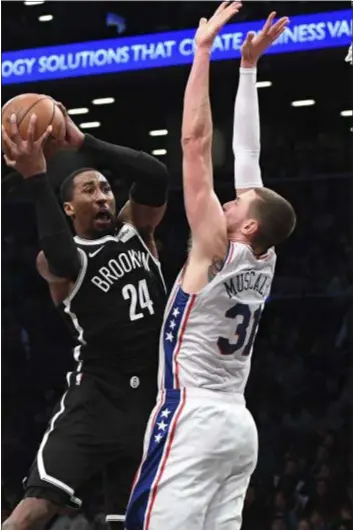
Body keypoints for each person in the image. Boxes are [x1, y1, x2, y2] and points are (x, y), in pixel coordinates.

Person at [125, 4, 295, 530]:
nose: (228, 202)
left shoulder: (216, 247)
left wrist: (202, 53)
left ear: (246, 226)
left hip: (192, 417)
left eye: (238, 204)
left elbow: (196, 146)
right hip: (238, 429)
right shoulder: (263, 254)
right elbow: (249, 155)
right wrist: (247, 69)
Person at [1, 106, 169, 530]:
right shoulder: (58, 261)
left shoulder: (138, 231)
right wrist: (37, 178)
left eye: (107, 189)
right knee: (34, 510)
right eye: (89, 191)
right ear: (69, 210)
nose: (103, 197)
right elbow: (60, 256)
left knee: (130, 523)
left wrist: (84, 143)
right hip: (96, 398)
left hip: (150, 401)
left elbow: (155, 175)